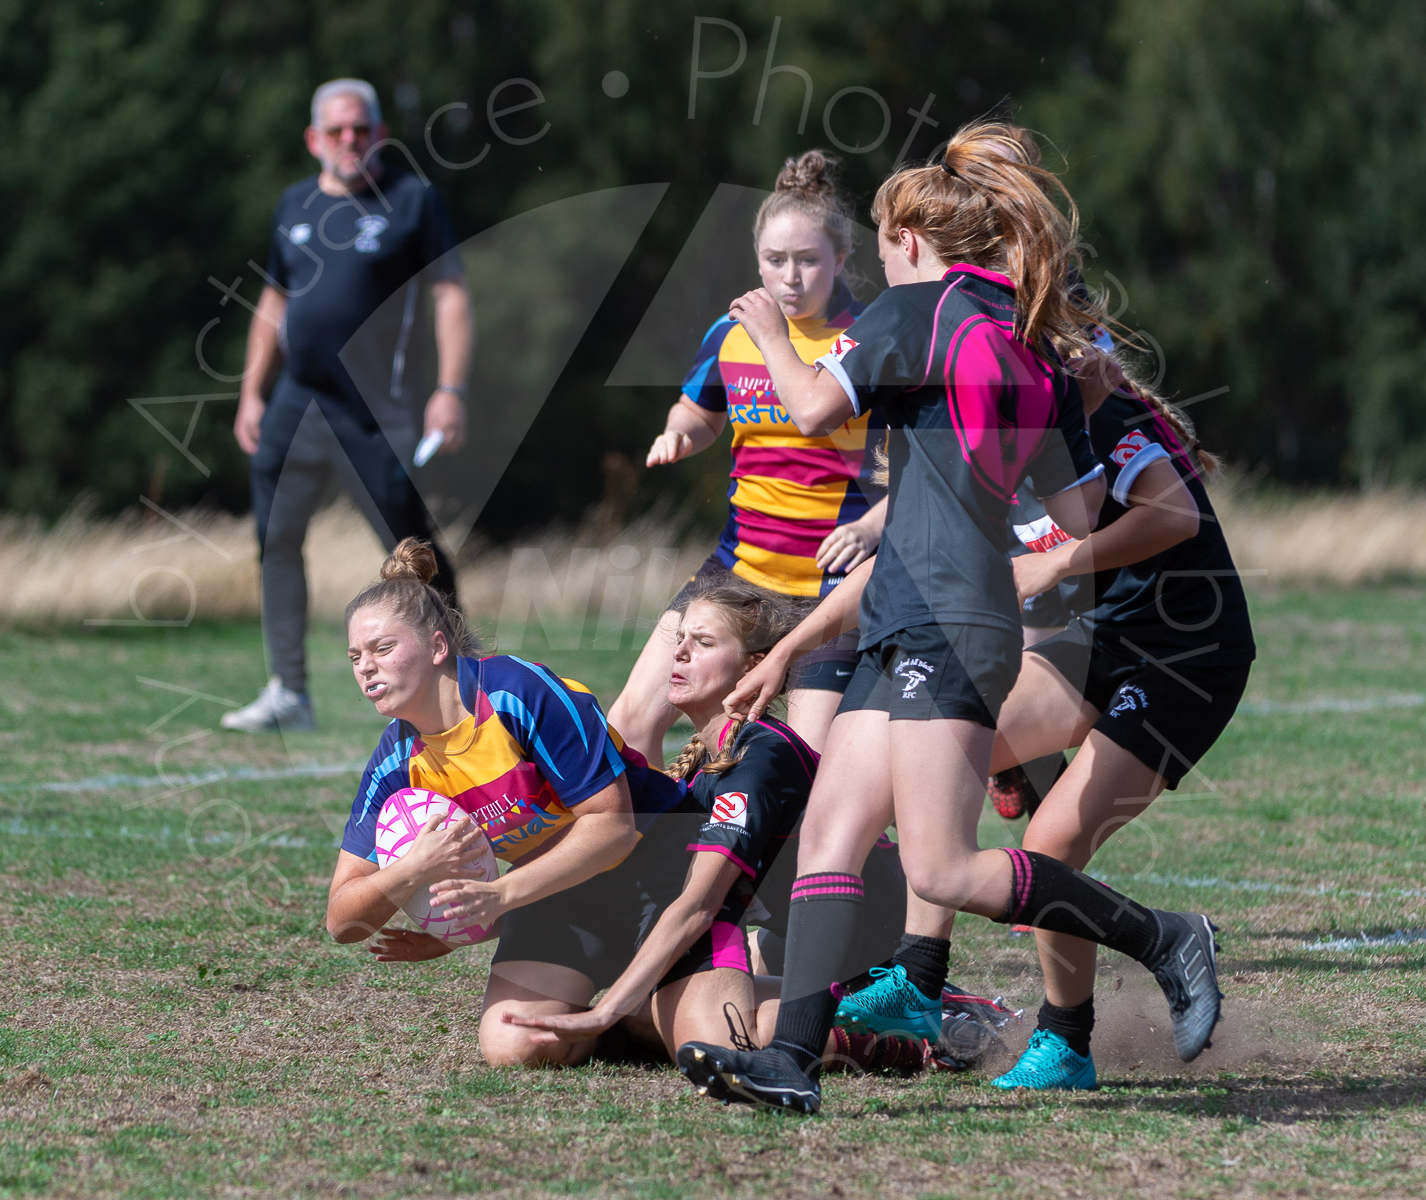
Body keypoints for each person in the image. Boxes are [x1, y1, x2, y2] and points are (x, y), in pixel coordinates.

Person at [674, 121, 1223, 1114]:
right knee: (833, 832)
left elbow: (808, 410)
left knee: (943, 866)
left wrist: (766, 334)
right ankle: (791, 1060)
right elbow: (1077, 516)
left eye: (881, 249)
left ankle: (1162, 936)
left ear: (910, 240)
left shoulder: (915, 310)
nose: (876, 269)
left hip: (948, 625)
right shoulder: (1030, 344)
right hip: (914, 612)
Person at [503, 578, 911, 1069]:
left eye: (703, 642)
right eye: (680, 640)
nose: (679, 654)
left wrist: (605, 1011)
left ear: (753, 667)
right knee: (653, 1012)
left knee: (718, 1037)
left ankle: (913, 1021)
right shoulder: (707, 760)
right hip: (796, 945)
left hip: (871, 953)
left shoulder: (759, 759)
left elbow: (699, 904)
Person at [326, 539, 692, 1068]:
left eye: (382, 649)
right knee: (514, 1047)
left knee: (709, 1031)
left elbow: (612, 828)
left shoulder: (516, 693)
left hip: (659, 863)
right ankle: (627, 1019)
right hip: (561, 893)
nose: (365, 668)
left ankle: (654, 1008)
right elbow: (343, 921)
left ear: (437, 647)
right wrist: (411, 870)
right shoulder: (396, 762)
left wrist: (498, 898)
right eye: (355, 657)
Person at [608, 150, 887, 763]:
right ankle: (655, 827)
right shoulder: (732, 332)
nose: (791, 277)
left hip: (829, 588)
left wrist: (872, 525)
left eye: (808, 260)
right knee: (627, 726)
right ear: (757, 259)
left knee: (806, 765)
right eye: (775, 260)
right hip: (736, 571)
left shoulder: (871, 337)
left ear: (841, 259)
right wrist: (678, 433)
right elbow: (699, 411)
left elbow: (922, 470)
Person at [222, 78, 473, 733]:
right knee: (277, 540)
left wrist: (450, 391)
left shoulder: (412, 201)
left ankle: (469, 679)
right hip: (295, 402)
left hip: (375, 409)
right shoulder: (294, 204)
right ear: (314, 139)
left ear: (380, 133)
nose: (349, 140)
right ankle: (289, 693)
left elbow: (449, 295)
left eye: (361, 128)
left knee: (410, 549)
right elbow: (273, 301)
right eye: (336, 130)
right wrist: (251, 392)